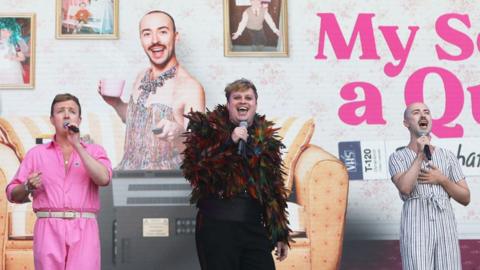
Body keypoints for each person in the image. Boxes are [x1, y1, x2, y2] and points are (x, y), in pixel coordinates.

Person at [182, 78, 290, 270]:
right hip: (217, 226)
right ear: (228, 104)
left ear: (255, 104)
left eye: (248, 98)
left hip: (253, 227)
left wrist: (280, 232)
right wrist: (229, 143)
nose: (243, 101)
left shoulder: (265, 139)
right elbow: (195, 170)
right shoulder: (208, 129)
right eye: (237, 97)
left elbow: (273, 190)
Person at [5, 93, 112, 270]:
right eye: (60, 111)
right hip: (48, 228)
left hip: (84, 228)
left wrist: (78, 145)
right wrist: (27, 186)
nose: (67, 115)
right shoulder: (36, 154)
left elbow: (104, 178)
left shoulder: (94, 150)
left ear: (79, 119)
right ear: (52, 120)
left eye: (72, 111)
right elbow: (11, 193)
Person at [99, 10, 205, 170]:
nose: (155, 40)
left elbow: (198, 152)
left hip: (163, 184)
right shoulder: (141, 75)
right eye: (147, 34)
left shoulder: (190, 87)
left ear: (176, 37)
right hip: (128, 177)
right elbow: (137, 122)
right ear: (141, 39)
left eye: (163, 32)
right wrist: (116, 103)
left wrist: (177, 135)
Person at [388, 102, 470, 270]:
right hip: (415, 223)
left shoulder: (448, 156)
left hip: (445, 224)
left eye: (426, 112)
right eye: (416, 112)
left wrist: (442, 180)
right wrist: (420, 155)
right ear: (406, 123)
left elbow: (465, 198)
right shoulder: (397, 157)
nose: (423, 115)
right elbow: (405, 188)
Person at [0, 18, 28, 85]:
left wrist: (13, 57)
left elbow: (22, 57)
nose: (5, 33)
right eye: (3, 30)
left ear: (13, 32)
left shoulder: (15, 44)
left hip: (11, 69)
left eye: (9, 31)